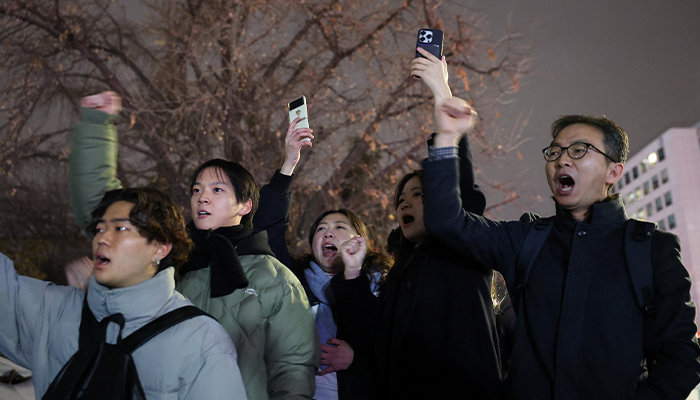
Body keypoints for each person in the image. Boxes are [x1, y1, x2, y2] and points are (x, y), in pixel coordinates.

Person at [421, 95, 700, 398]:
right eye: (554, 152)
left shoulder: (652, 250)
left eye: (579, 150)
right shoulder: (527, 239)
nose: (561, 160)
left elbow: (682, 359)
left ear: (614, 172)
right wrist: (448, 137)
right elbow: (447, 222)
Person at [69, 92, 319, 400]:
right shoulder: (166, 256)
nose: (202, 197)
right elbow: (106, 210)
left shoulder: (275, 278)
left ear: (244, 206)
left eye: (216, 189)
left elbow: (293, 370)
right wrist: (97, 124)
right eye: (197, 189)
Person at [330, 47, 503, 400]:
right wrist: (351, 272)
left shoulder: (461, 250)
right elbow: (374, 338)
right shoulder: (400, 275)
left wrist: (443, 97)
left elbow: (460, 190)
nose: (405, 203)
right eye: (400, 200)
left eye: (419, 195)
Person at [0, 187, 247, 399]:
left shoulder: (201, 340)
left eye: (120, 229)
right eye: (99, 229)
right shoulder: (54, 309)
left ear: (161, 247)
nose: (102, 239)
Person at [253, 117, 392, 400]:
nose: (328, 234)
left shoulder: (383, 288)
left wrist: (356, 361)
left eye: (340, 227)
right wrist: (289, 163)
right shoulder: (293, 281)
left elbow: (396, 359)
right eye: (321, 230)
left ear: (360, 241)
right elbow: (267, 229)